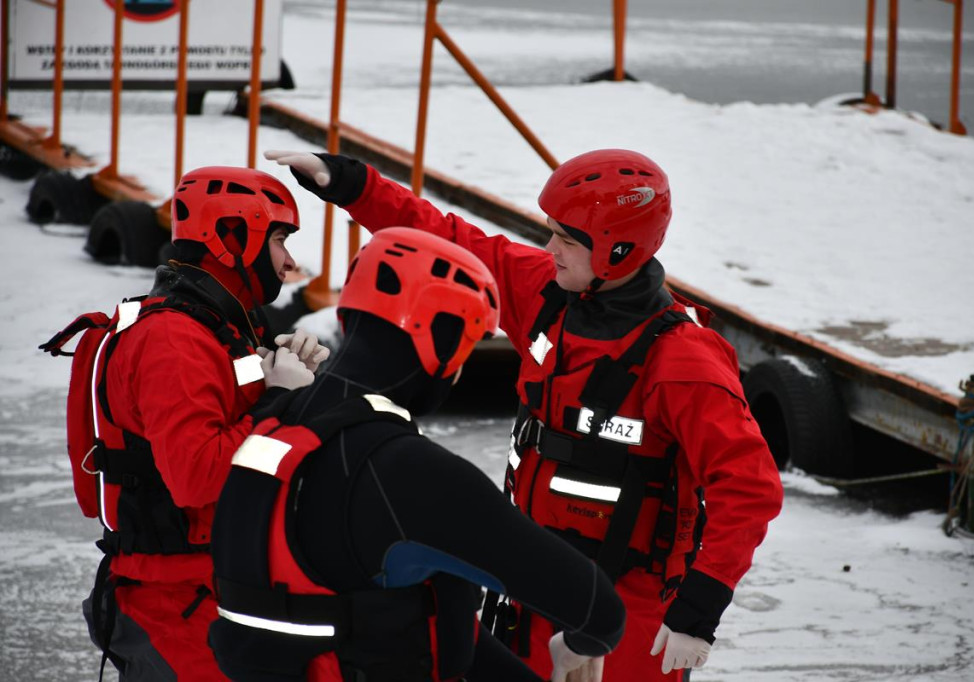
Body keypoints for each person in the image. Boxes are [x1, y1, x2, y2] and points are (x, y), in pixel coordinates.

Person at [265, 147, 785, 680]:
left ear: (618, 250)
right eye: (552, 231)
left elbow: (749, 488)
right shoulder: (548, 295)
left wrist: (695, 614)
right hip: (530, 591)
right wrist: (353, 186)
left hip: (629, 623)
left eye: (566, 239)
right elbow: (451, 243)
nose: (550, 248)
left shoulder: (681, 360)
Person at [207, 227, 626, 682]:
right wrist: (577, 645)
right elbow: (596, 611)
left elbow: (418, 615)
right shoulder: (406, 471)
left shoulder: (273, 426)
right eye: (465, 347)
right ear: (440, 343)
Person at [41, 166, 330, 680]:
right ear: (232, 240)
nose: (289, 262)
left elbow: (225, 407)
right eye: (280, 239)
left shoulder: (217, 330)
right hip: (176, 603)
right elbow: (195, 475)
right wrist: (278, 402)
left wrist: (274, 371)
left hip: (214, 587)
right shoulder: (174, 340)